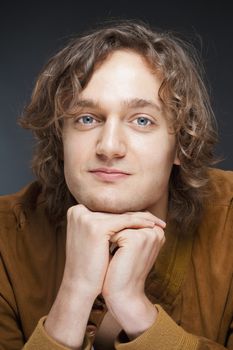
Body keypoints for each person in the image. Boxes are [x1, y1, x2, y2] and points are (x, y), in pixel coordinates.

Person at [0, 20, 232, 350]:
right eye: (87, 119)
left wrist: (135, 310)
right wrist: (75, 291)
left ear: (181, 143)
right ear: (60, 137)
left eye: (142, 120)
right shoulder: (5, 236)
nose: (109, 147)